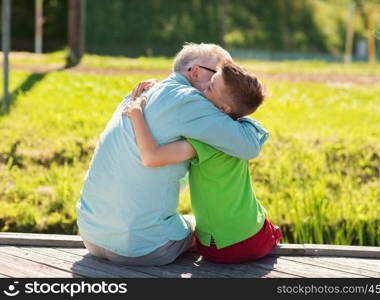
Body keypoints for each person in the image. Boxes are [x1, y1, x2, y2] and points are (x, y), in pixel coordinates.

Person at [76, 43, 268, 266]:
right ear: (195, 72)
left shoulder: (142, 92)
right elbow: (249, 146)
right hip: (141, 247)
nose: (227, 78)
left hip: (91, 235)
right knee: (203, 229)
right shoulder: (189, 100)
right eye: (220, 72)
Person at [123, 60, 282, 264]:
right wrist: (163, 89)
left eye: (208, 87)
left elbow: (152, 156)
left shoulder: (205, 140)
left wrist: (137, 114)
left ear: (224, 108)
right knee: (266, 227)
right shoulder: (238, 134)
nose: (200, 89)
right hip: (252, 237)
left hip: (221, 248)